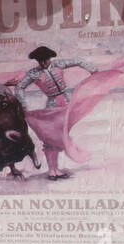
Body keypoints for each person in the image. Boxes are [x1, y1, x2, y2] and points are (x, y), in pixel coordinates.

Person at [9, 46, 99, 179]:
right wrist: (23, 105)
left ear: (49, 58)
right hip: (52, 105)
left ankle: (55, 169)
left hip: (67, 104)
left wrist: (94, 71)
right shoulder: (34, 73)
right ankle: (52, 170)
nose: (43, 63)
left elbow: (79, 61)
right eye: (40, 61)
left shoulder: (58, 64)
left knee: (59, 136)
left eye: (45, 60)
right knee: (51, 137)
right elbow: (20, 87)